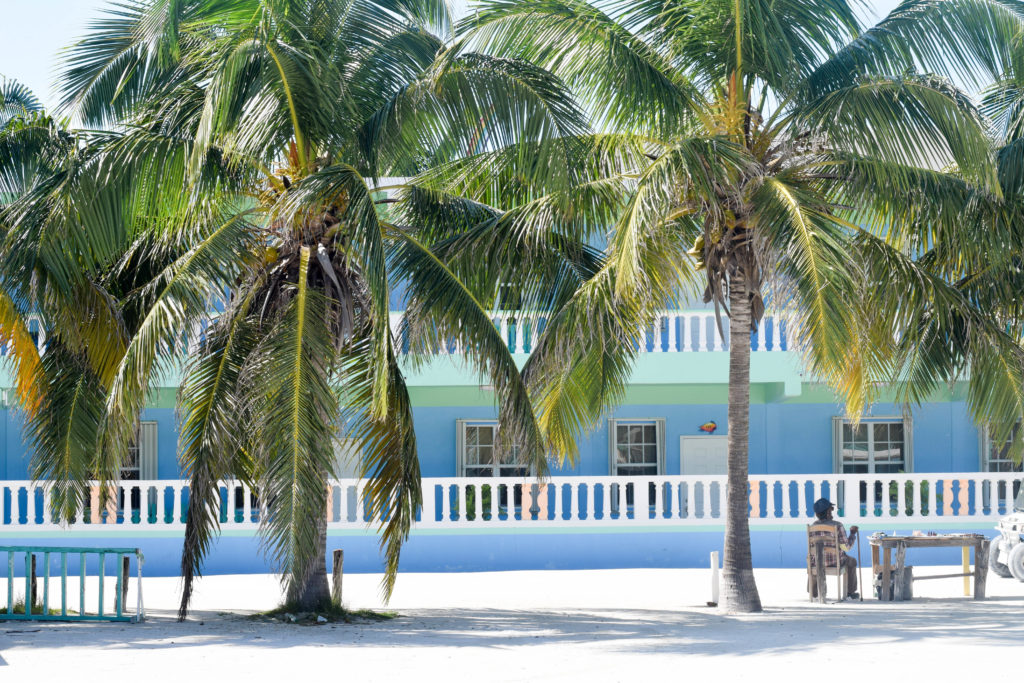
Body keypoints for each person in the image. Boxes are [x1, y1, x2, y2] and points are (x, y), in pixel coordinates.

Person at [808, 497, 859, 599]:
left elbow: (811, 548)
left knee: (811, 559)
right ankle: (850, 592)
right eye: (831, 509)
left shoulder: (812, 527)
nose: (832, 511)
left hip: (817, 562)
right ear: (827, 512)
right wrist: (852, 534)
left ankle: (814, 593)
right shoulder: (838, 525)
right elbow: (846, 547)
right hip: (836, 562)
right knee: (852, 561)